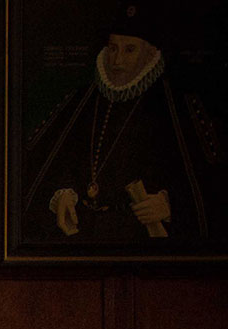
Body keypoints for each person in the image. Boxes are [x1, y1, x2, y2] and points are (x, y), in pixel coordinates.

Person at [21, 5, 225, 246]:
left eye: (129, 50)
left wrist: (169, 207)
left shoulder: (177, 104)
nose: (117, 60)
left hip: (140, 243)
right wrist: (61, 194)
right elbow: (52, 163)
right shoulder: (83, 99)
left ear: (150, 54)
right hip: (82, 238)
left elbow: (209, 187)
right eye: (112, 48)